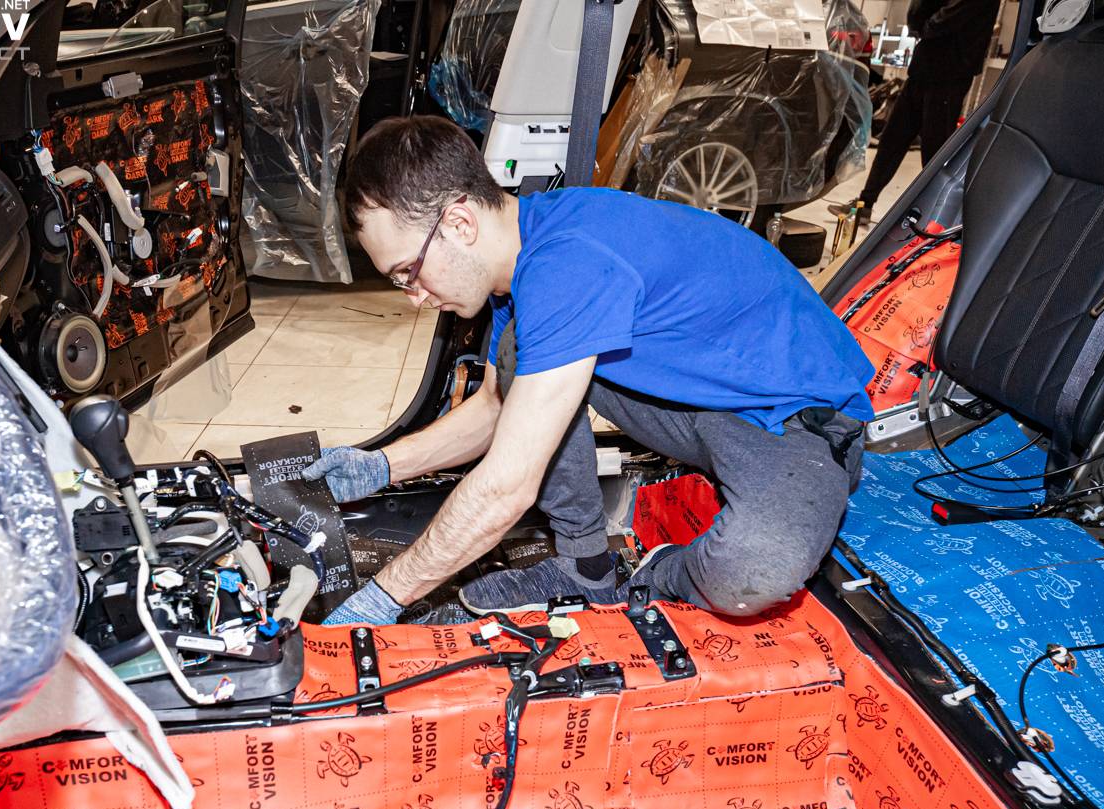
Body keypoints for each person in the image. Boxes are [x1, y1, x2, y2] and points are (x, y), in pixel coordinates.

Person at [309, 116, 873, 627]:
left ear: (459, 222)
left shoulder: (569, 263)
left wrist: (384, 597)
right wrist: (381, 466)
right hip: (693, 400)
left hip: (793, 423)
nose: (413, 296)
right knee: (521, 351)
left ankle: (658, 576)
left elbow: (506, 487)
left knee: (753, 572)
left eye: (408, 272)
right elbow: (498, 408)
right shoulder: (526, 251)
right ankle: (585, 568)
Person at [838, 0, 998, 216]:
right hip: (923, 69)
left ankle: (935, 214)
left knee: (934, 150)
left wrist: (926, 26)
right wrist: (921, 25)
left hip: (950, 74)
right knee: (892, 140)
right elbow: (918, 16)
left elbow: (948, 18)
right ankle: (865, 203)